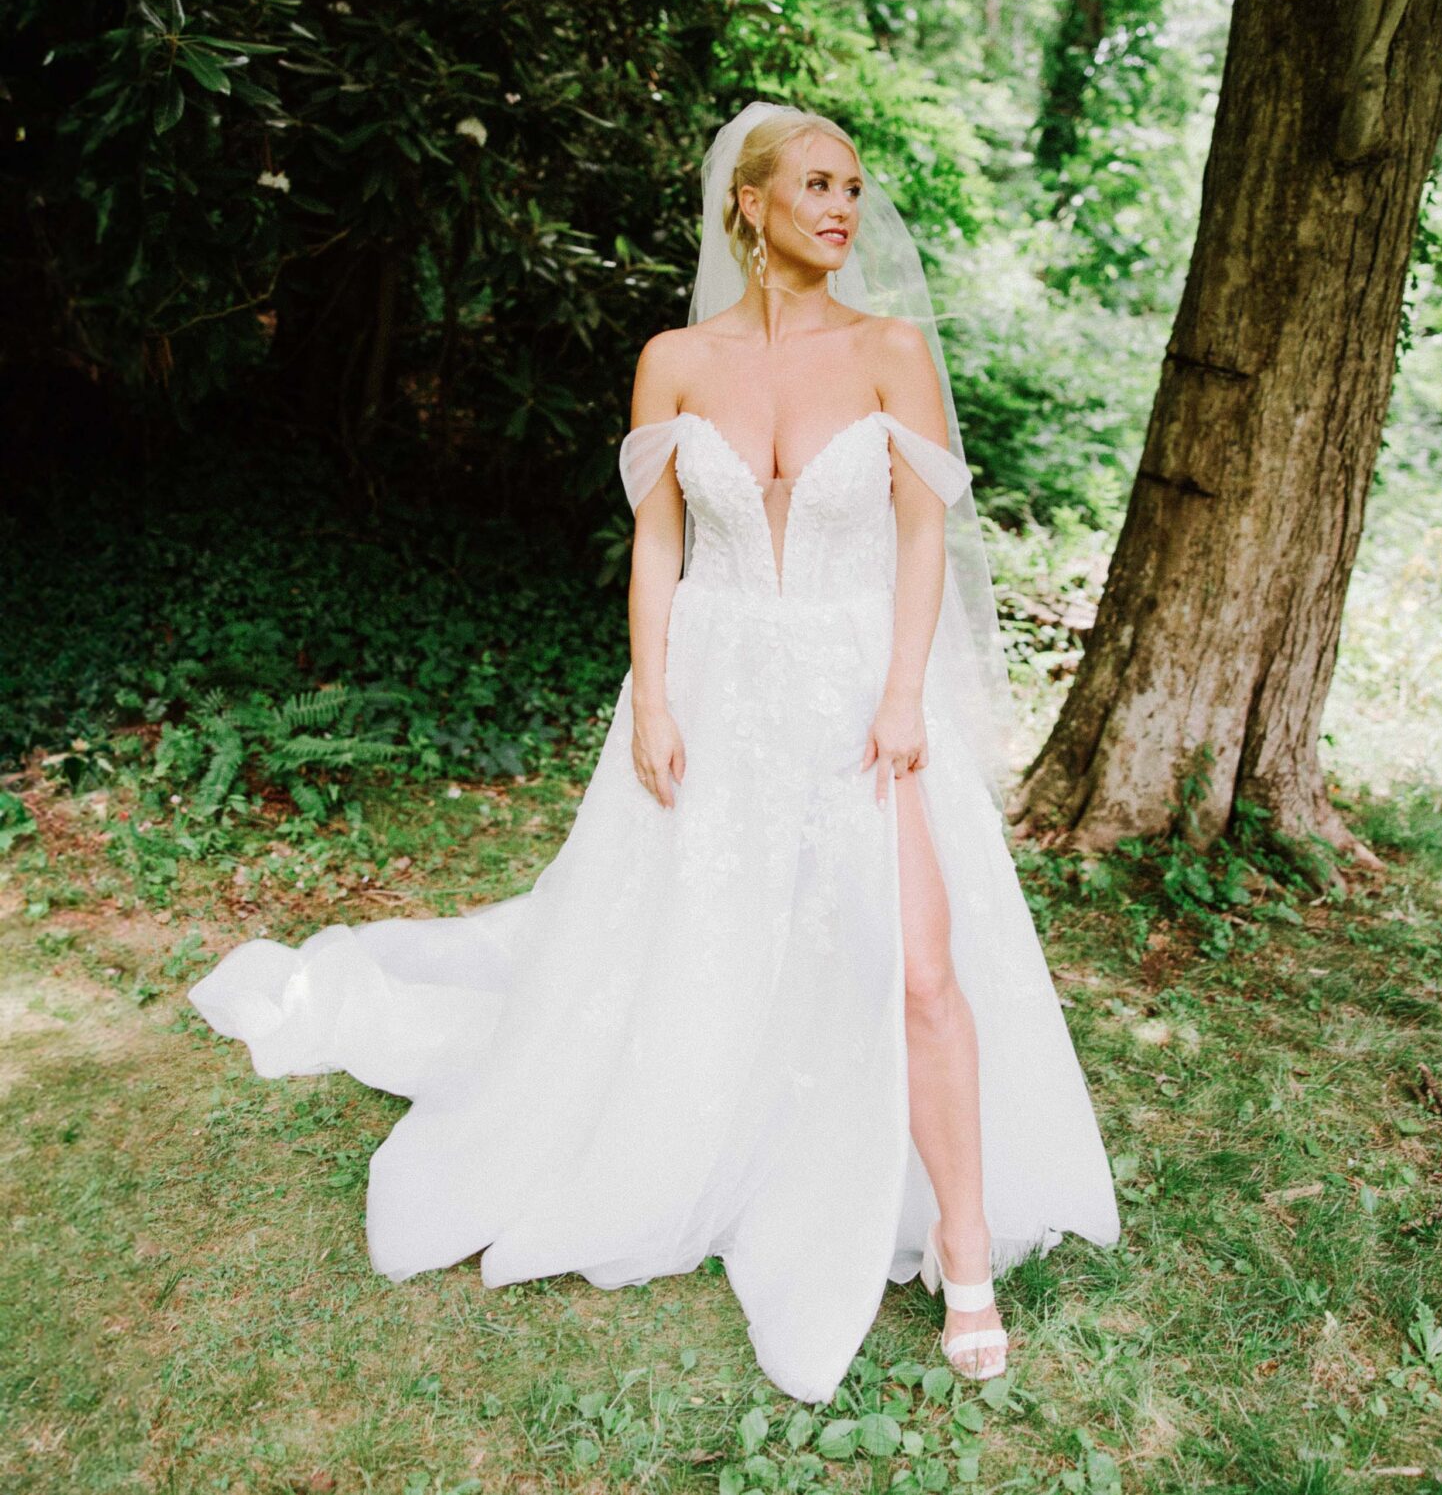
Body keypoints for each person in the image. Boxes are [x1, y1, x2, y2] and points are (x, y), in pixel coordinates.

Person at [187, 101, 1120, 1405]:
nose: (842, 207)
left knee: (919, 963)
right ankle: (730, 1139)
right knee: (713, 936)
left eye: (852, 186)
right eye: (814, 184)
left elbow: (922, 536)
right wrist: (658, 698)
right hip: (722, 681)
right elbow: (662, 542)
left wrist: (906, 691)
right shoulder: (674, 359)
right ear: (748, 204)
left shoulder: (892, 349)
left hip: (862, 687)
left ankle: (963, 1247)